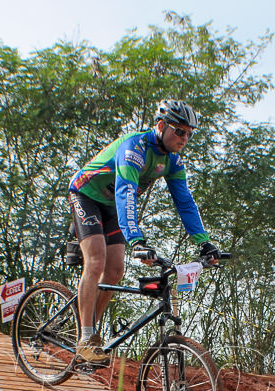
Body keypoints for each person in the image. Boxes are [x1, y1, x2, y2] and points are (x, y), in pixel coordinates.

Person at [67, 99, 219, 363]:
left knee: (115, 270)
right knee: (97, 261)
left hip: (111, 206)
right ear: (161, 126)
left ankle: (90, 334)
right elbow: (126, 193)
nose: (184, 138)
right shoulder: (134, 147)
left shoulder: (173, 162)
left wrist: (204, 242)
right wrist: (136, 240)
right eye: (179, 131)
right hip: (87, 194)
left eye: (189, 134)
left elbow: (184, 202)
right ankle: (84, 339)